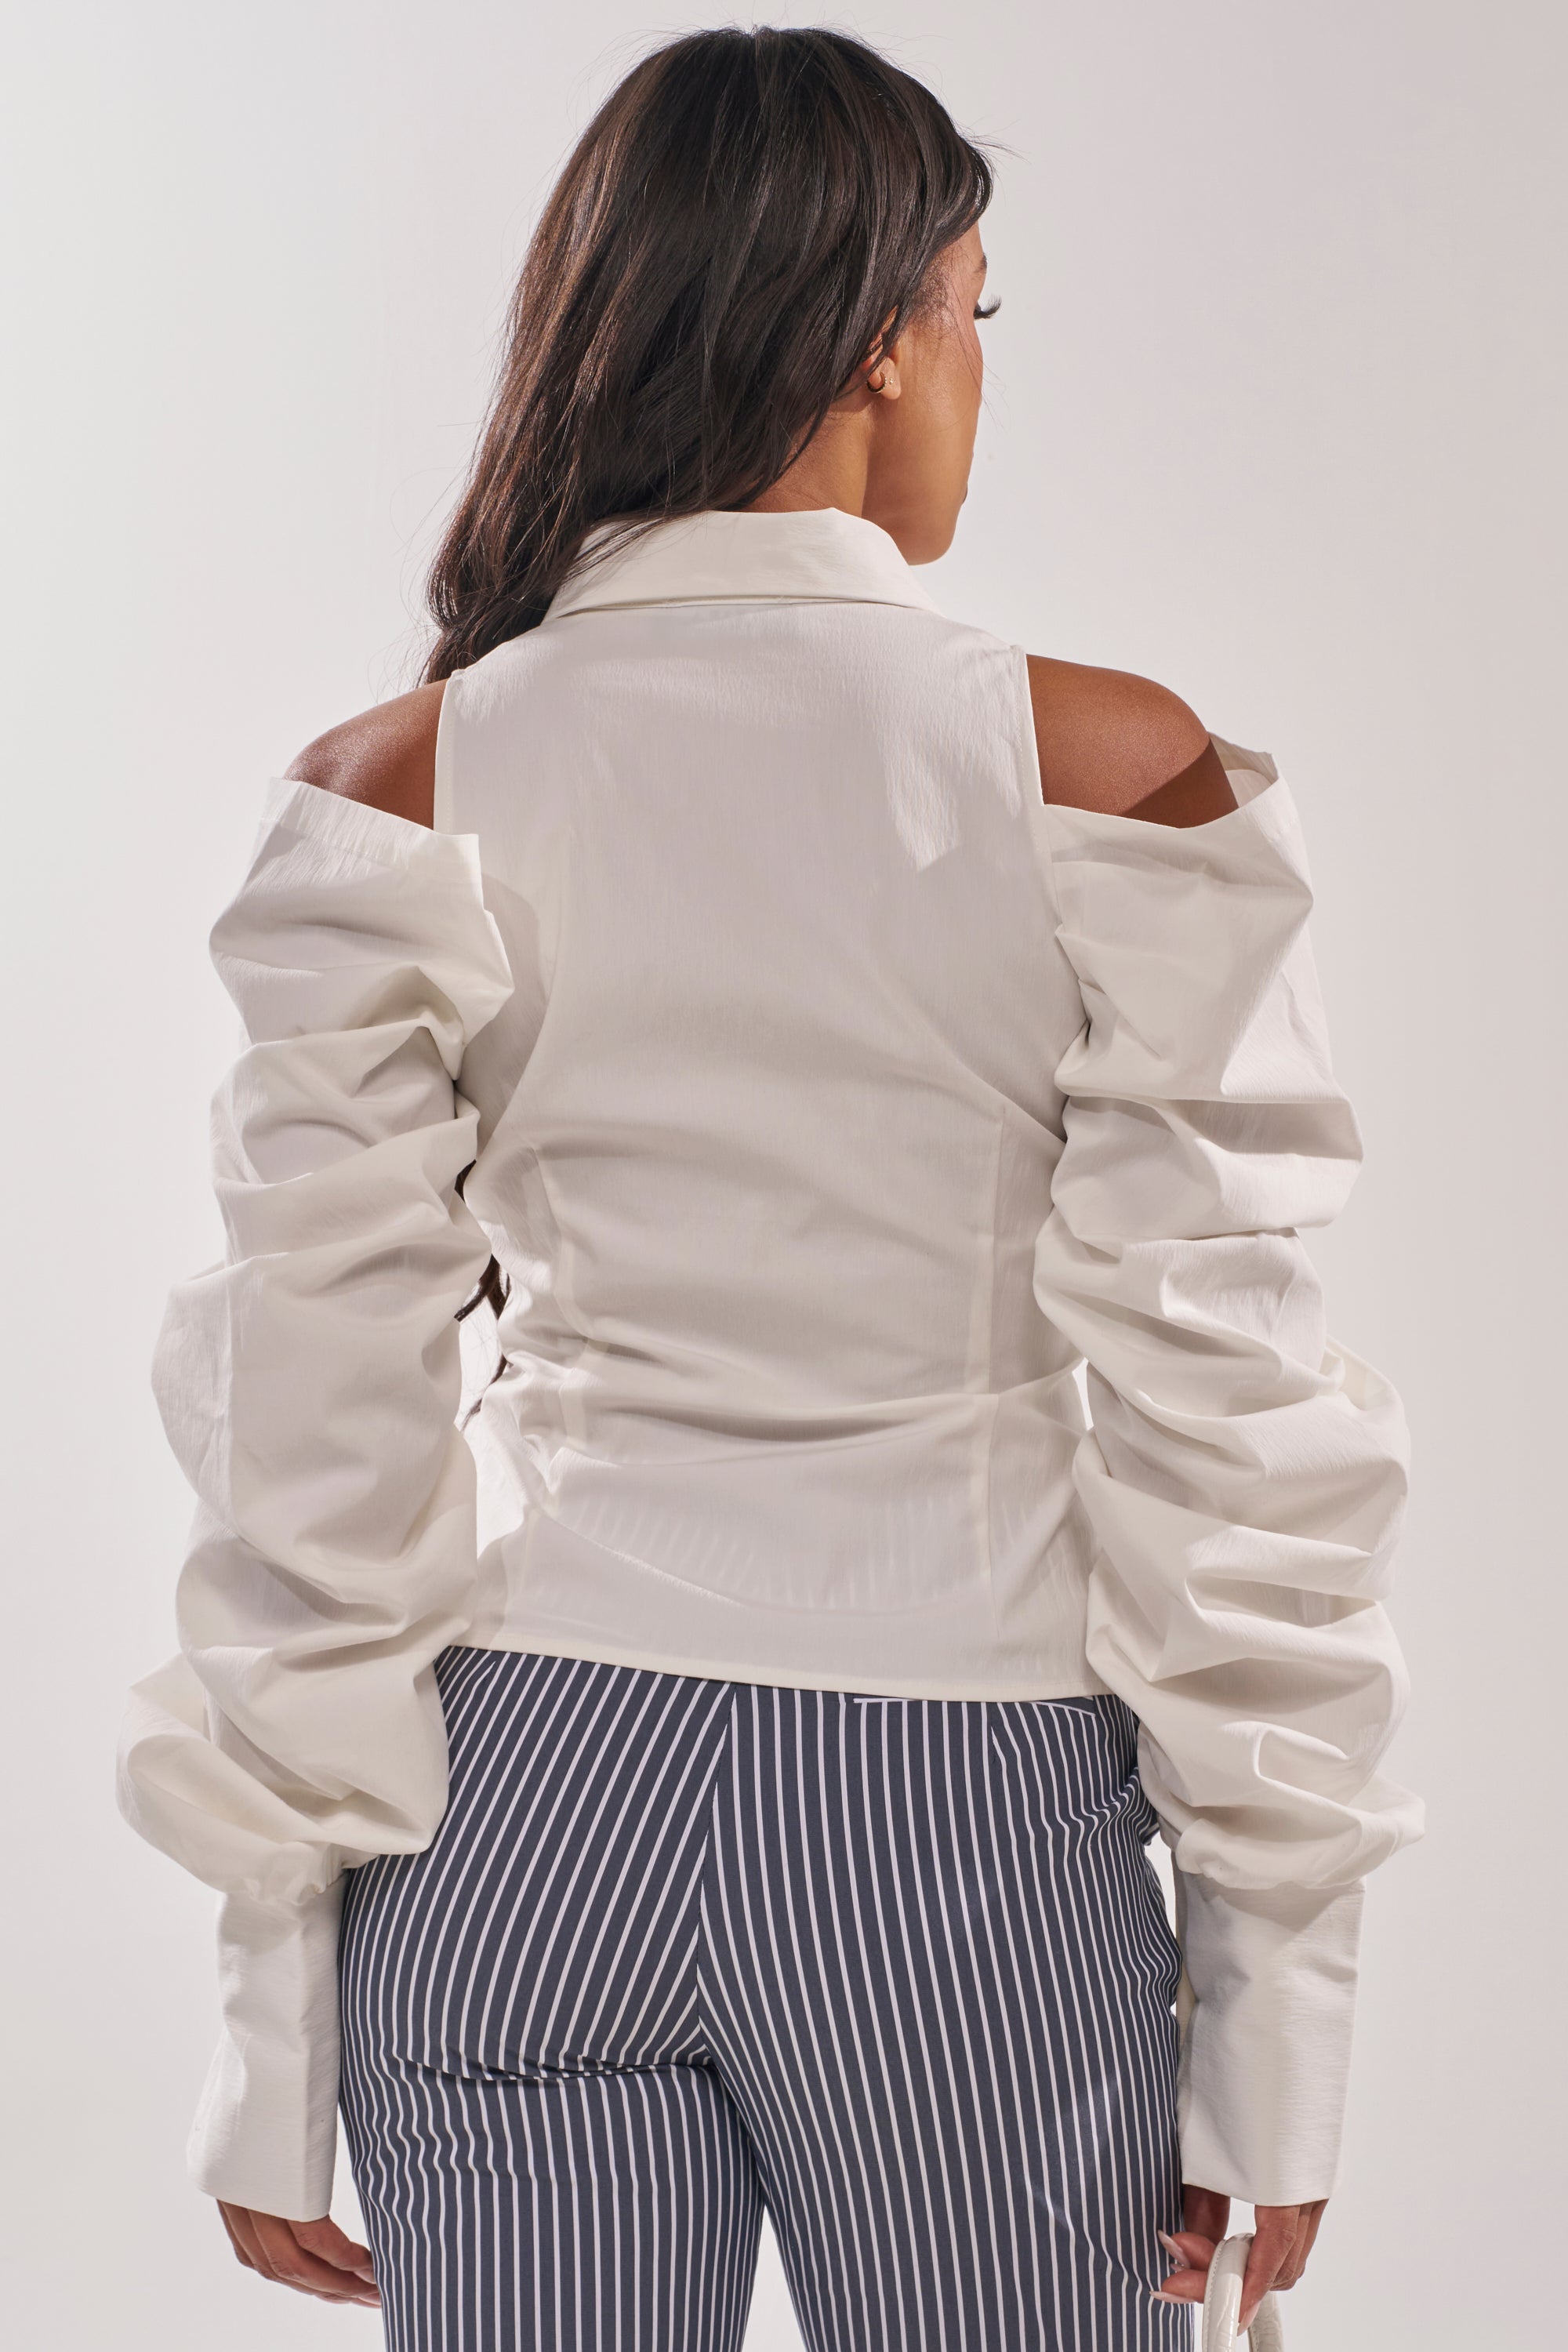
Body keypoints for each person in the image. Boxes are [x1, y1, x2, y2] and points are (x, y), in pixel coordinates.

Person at [117, 25, 1420, 2350]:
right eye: (978, 314)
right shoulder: (1114, 772)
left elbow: (309, 1429)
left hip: (513, 1815)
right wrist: (1279, 2016)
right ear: (881, 342)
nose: (977, 381)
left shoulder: (397, 781)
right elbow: (1237, 1424)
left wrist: (268, 2030)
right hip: (964, 1825)